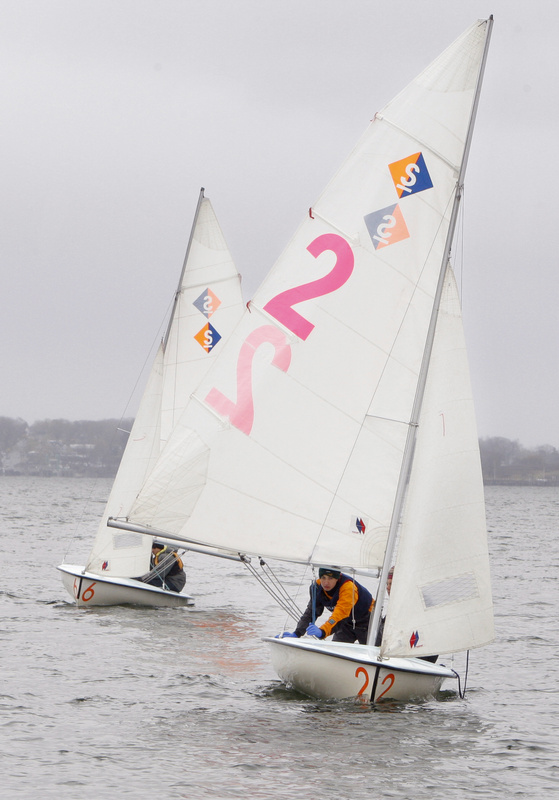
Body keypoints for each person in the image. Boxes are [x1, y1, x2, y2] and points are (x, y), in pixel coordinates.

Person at [280, 567, 374, 644]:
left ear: (337, 578)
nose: (326, 582)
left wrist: (322, 632)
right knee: (336, 651)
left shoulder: (348, 588)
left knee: (376, 652)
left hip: (368, 620)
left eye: (330, 578)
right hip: (345, 624)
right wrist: (297, 633)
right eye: (323, 578)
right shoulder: (317, 587)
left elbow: (340, 615)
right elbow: (312, 612)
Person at [375, 566, 438, 663]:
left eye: (391, 584)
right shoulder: (400, 601)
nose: (387, 588)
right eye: (387, 584)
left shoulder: (416, 601)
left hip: (422, 654)